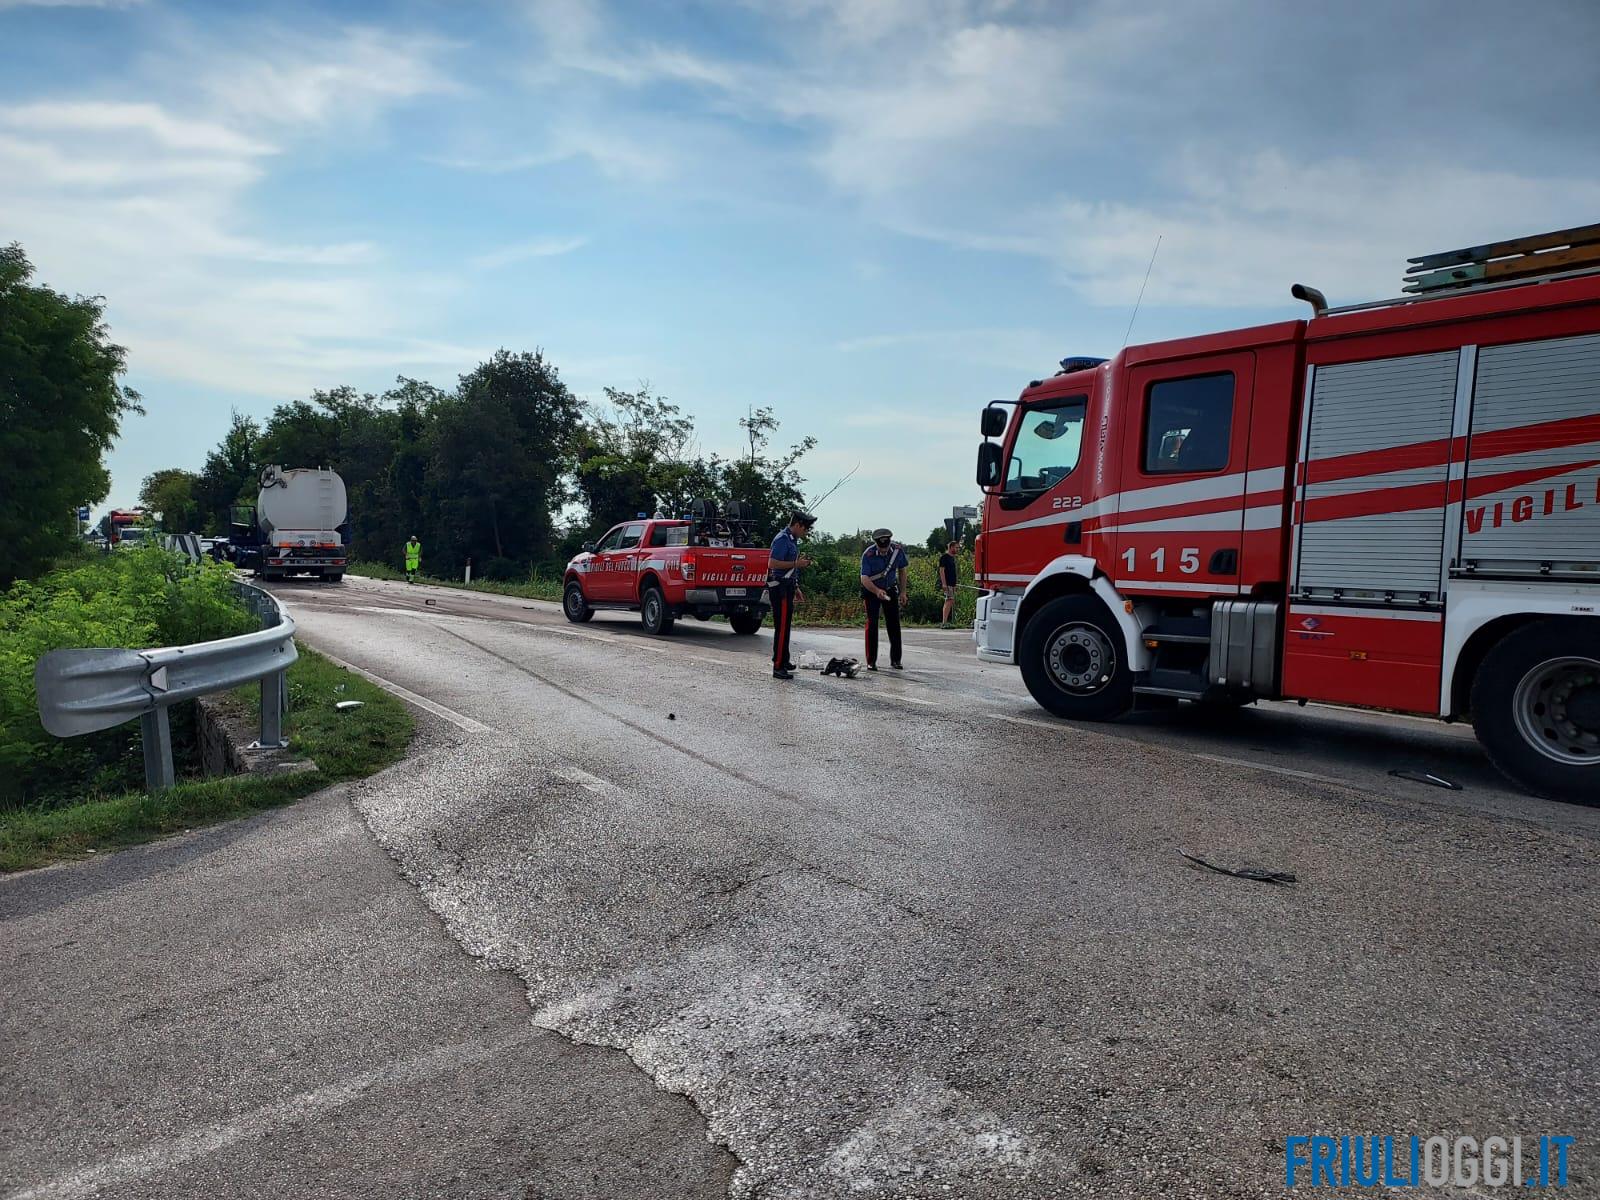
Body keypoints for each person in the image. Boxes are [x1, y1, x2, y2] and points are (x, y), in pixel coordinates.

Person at [767, 511, 815, 680]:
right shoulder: (782, 539)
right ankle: (778, 666)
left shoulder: (792, 540)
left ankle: (783, 658)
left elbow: (790, 569)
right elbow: (772, 563)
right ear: (797, 525)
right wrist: (797, 563)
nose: (806, 533)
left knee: (786, 625)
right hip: (779, 587)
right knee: (781, 627)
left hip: (788, 586)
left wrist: (796, 587)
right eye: (805, 529)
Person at [859, 527, 908, 671]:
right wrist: (876, 590)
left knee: (894, 624)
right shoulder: (868, 554)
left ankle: (896, 660)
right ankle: (871, 661)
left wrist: (903, 592)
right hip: (871, 589)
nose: (884, 552)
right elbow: (864, 578)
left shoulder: (898, 550)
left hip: (890, 589)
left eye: (886, 549)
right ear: (876, 544)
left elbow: (902, 570)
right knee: (872, 624)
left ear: (889, 542)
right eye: (881, 549)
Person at [939, 541, 960, 627]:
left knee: (950, 601)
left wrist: (955, 585)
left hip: (952, 583)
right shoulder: (945, 557)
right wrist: (944, 584)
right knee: (949, 600)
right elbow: (941, 570)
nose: (957, 549)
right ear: (951, 547)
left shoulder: (952, 558)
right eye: (956, 547)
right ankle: (944, 622)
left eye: (958, 548)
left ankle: (945, 621)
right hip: (947, 583)